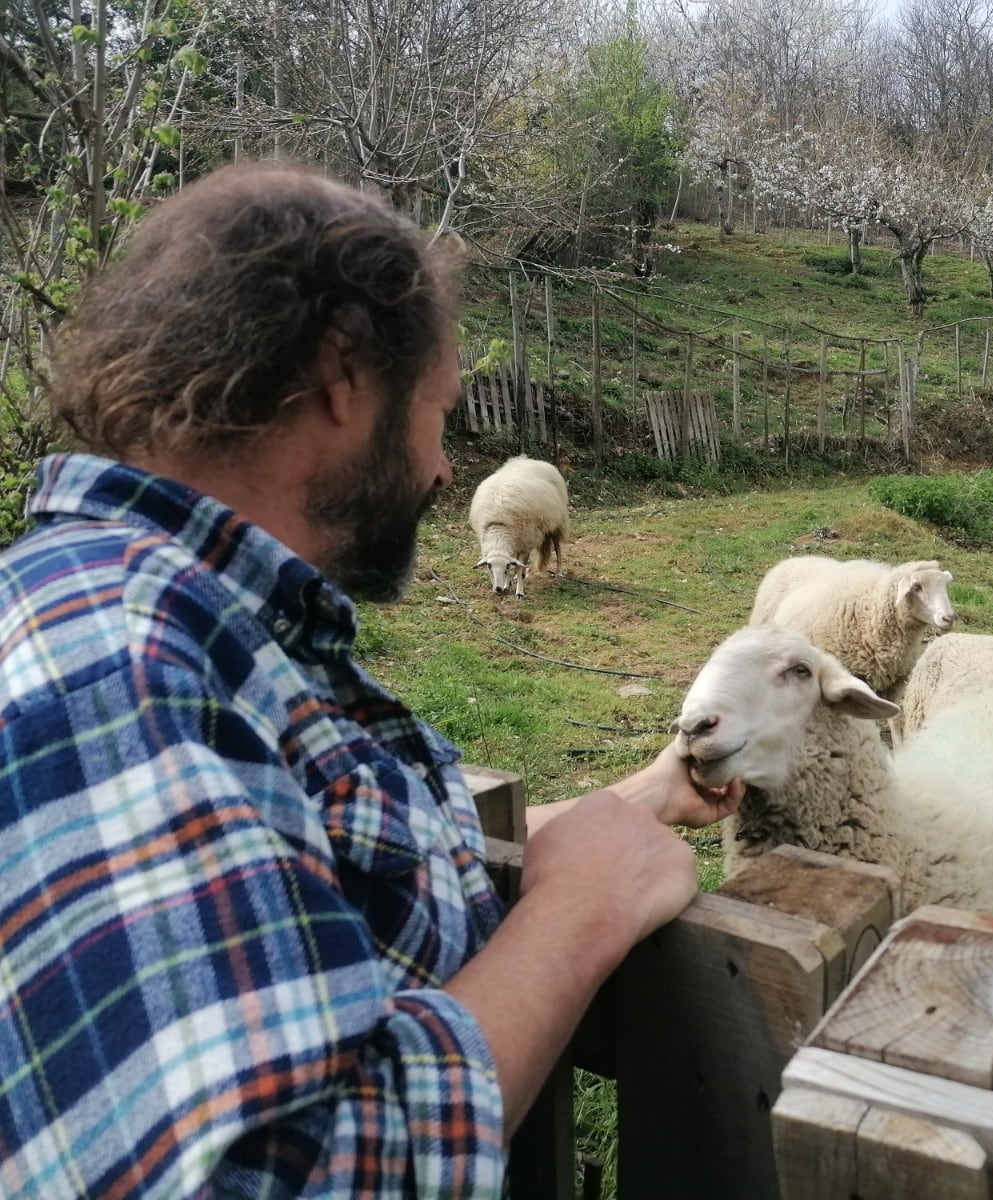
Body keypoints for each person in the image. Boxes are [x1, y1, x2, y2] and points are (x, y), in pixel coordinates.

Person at [0, 161, 741, 1198]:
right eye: (436, 412)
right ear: (344, 373)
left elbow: (326, 882)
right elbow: (292, 1179)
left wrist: (634, 803)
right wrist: (578, 920)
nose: (443, 470)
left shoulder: (201, 630)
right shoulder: (122, 665)